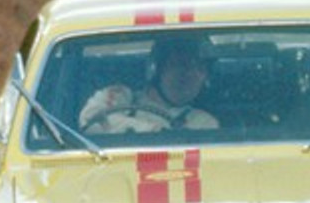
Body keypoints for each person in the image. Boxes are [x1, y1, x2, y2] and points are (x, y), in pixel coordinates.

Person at [79, 37, 219, 133]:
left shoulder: (204, 122)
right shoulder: (121, 96)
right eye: (181, 65)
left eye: (200, 68)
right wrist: (153, 132)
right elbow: (90, 121)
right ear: (156, 69)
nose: (191, 75)